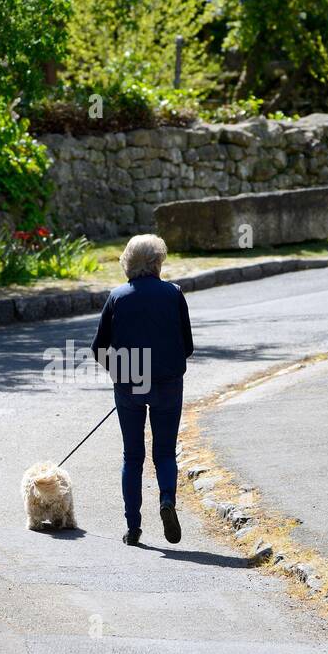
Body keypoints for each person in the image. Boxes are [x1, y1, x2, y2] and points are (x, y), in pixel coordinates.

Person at [90, 234, 193, 546]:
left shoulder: (117, 297)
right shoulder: (173, 294)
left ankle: (133, 527)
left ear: (128, 263)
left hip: (129, 384)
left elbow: (99, 348)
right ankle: (166, 501)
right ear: (156, 263)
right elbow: (187, 346)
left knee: (132, 455)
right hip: (168, 383)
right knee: (164, 451)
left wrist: (124, 372)